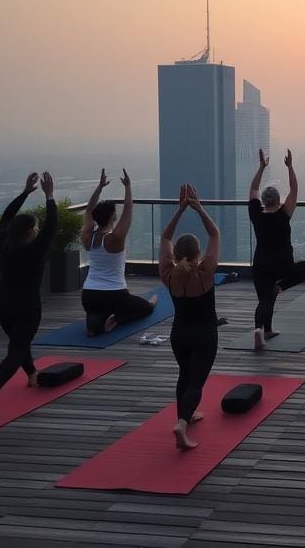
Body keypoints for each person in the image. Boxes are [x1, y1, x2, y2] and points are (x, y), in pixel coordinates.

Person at [0, 172, 58, 419]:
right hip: (26, 306)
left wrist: (25, 193)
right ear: (30, 231)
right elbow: (52, 226)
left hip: (2, 304)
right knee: (16, 350)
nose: (38, 231)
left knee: (19, 343)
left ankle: (32, 374)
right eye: (35, 228)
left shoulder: (6, 244)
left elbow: (6, 217)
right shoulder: (35, 250)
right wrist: (49, 196)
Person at [159, 184, 220, 450]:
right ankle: (182, 424)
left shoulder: (168, 274)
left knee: (184, 375)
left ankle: (184, 415)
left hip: (179, 335)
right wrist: (197, 208)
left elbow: (164, 238)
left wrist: (179, 210)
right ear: (198, 254)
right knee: (196, 382)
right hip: (204, 335)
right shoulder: (205, 272)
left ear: (176, 255)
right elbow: (214, 234)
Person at [248, 149, 305, 349]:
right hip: (283, 266)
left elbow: (253, 189)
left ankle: (261, 331)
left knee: (264, 300)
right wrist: (290, 167)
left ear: (263, 201)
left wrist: (261, 167)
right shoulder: (284, 213)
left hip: (261, 264)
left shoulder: (256, 214)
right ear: (278, 201)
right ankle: (279, 291)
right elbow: (294, 190)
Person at [80, 168, 156, 336]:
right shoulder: (115, 239)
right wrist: (128, 187)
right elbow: (128, 209)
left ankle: (95, 322)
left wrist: (99, 187)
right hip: (115, 295)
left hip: (89, 296)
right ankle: (116, 319)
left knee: (97, 312)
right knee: (147, 308)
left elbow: (88, 210)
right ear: (113, 216)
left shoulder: (87, 237)